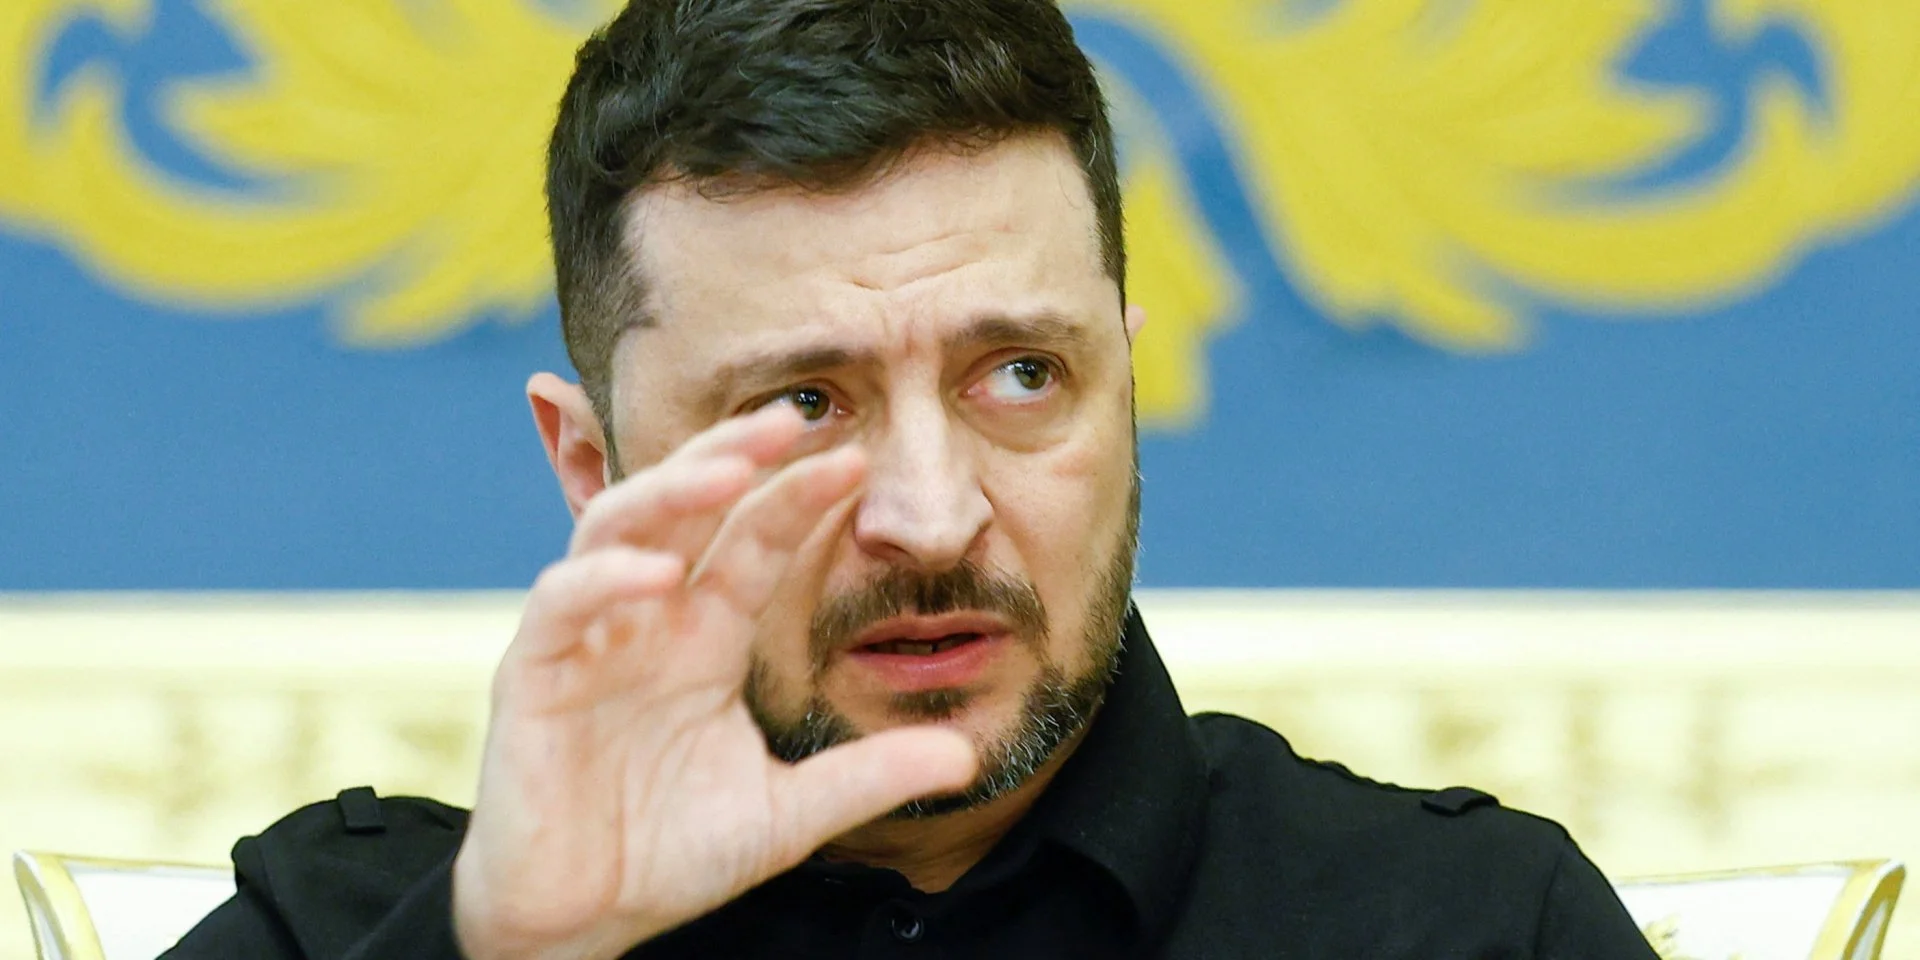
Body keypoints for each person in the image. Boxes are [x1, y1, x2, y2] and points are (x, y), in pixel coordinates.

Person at [164, 1, 1660, 957]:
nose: (931, 520)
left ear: (1125, 390)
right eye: (804, 405)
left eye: (1021, 377)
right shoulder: (342, 933)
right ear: (591, 464)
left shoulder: (1478, 928)